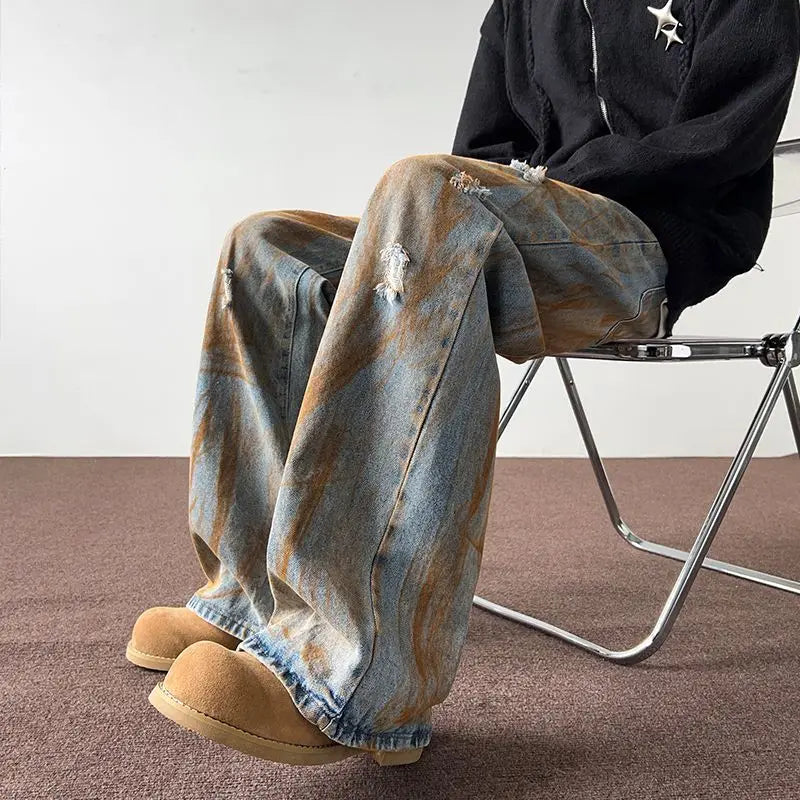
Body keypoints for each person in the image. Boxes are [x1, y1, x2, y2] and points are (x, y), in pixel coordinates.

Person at [125, 0, 799, 767]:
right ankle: (247, 598)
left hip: (645, 246)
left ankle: (355, 677)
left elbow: (730, 133)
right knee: (267, 246)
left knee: (427, 190)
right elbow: (478, 150)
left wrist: (551, 182)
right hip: (513, 226)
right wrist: (520, 188)